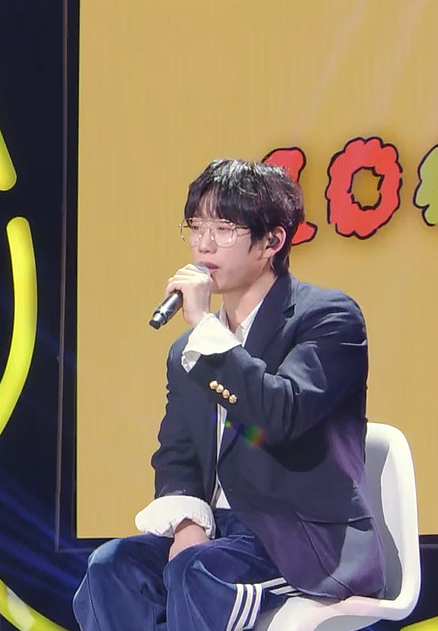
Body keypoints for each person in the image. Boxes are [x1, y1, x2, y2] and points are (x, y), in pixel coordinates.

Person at [73, 159, 387, 631]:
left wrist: (204, 327)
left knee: (198, 575)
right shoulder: (191, 349)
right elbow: (178, 454)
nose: (203, 244)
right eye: (196, 227)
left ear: (272, 242)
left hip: (302, 543)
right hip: (219, 536)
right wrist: (188, 526)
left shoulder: (327, 319)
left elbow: (279, 415)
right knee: (111, 569)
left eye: (223, 229)